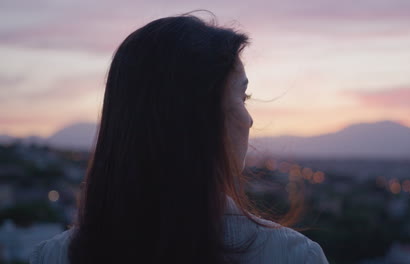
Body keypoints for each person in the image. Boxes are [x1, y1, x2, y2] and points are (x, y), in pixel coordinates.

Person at [29, 11, 329, 264]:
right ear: (201, 115)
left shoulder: (52, 256)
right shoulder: (292, 256)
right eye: (244, 96)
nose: (250, 119)